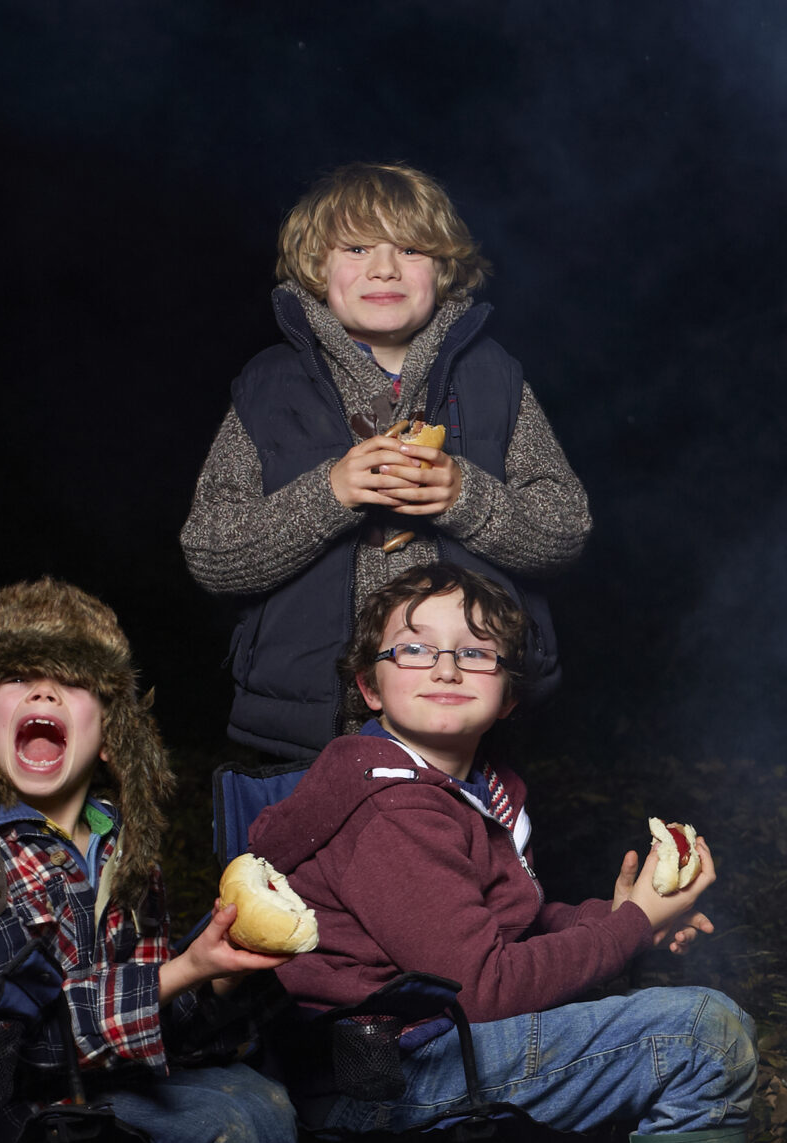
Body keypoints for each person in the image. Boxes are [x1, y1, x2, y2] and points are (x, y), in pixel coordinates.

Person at [245, 566, 758, 1143]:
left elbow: (503, 924)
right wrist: (630, 930)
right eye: (415, 650)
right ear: (370, 686)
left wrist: (621, 917)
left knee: (693, 1034)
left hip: (432, 1037)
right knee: (700, 1035)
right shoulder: (390, 805)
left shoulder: (470, 790)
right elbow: (480, 985)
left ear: (508, 693)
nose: (448, 666)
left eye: (476, 652)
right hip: (384, 1065)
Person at [0, 580, 382, 1143]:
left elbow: (153, 1013)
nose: (45, 696)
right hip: (11, 1097)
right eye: (17, 679)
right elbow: (24, 1036)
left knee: (258, 1097)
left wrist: (217, 976)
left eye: (72, 684)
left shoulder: (122, 843)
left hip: (98, 1075)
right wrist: (179, 972)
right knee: (214, 1128)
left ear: (111, 732)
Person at [181, 161, 589, 760]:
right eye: (356, 247)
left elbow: (564, 532)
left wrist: (464, 498)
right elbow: (212, 554)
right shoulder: (270, 388)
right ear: (317, 268)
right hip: (314, 735)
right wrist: (330, 495)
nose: (384, 268)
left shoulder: (493, 378)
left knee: (466, 857)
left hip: (470, 733)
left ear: (445, 269)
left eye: (411, 249)